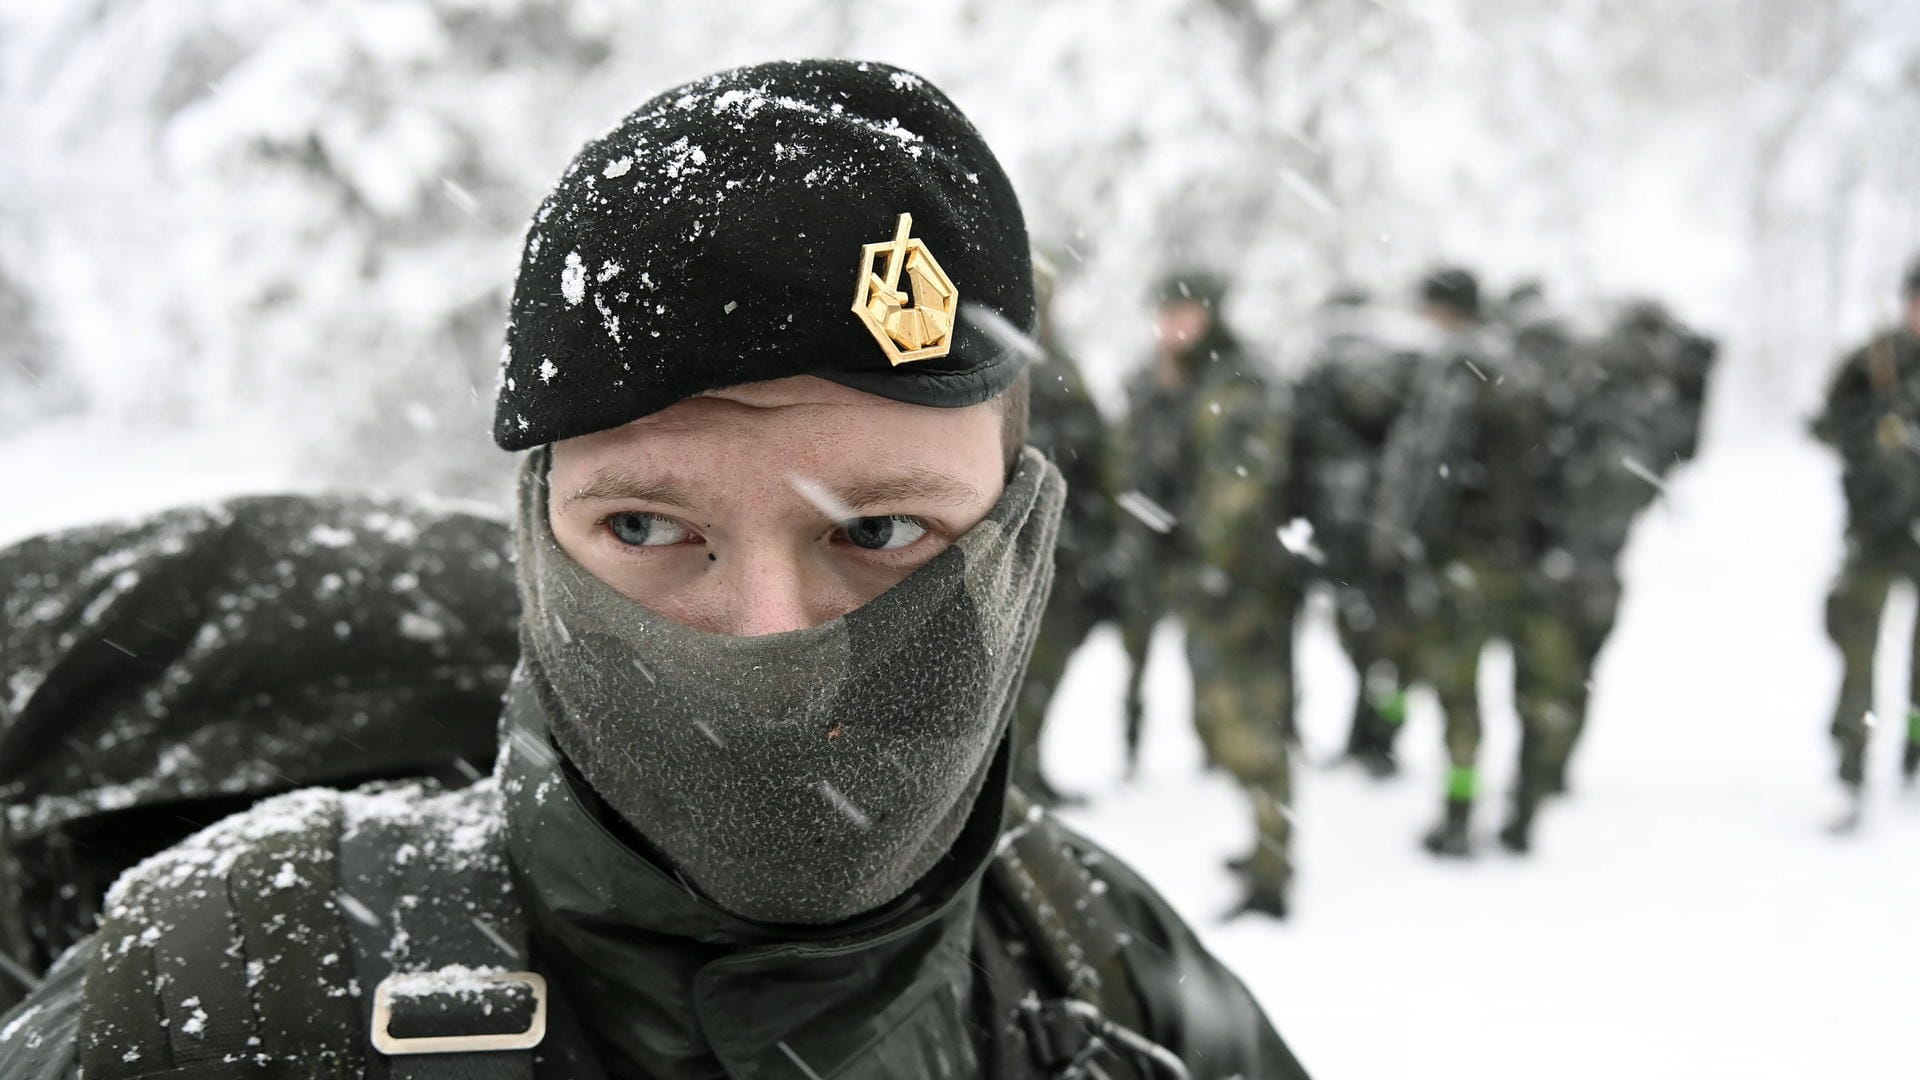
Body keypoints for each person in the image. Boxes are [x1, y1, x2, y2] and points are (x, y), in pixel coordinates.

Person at [0, 61, 1311, 1079]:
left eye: (878, 533)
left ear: (1017, 540)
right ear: (537, 536)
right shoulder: (235, 987)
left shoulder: (1094, 963)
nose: (762, 639)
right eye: (645, 529)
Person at [1116, 272, 1299, 917]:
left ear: (1211, 315)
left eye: (1184, 313)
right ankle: (1265, 841)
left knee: (1246, 720)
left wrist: (1213, 564)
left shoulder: (1238, 382)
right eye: (1164, 312)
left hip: (1240, 579)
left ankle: (1275, 867)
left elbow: (1241, 485)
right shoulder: (1164, 380)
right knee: (1216, 719)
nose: (1171, 326)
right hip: (1193, 576)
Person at [1373, 267, 1547, 856]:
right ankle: (1524, 813)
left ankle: (1458, 814)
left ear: (1442, 311)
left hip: (1463, 560)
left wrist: (1406, 537)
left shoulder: (1458, 366)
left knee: (1458, 695)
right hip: (1521, 558)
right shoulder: (1520, 364)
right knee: (1527, 691)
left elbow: (1432, 465)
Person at [1287, 287, 1422, 778]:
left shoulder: (1317, 366)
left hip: (1335, 528)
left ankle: (1357, 733)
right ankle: (1381, 738)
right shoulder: (1403, 366)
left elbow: (1295, 447)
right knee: (1388, 646)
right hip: (1387, 530)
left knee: (1353, 637)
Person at [1009, 254, 1118, 808]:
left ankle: (1024, 775)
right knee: (1016, 677)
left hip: (1060, 551)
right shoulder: (1004, 364)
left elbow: (1094, 459)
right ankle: (1012, 783)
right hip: (1022, 552)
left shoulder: (1056, 367)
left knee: (1038, 673)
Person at [1814, 257, 1920, 822]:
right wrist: (1875, 432)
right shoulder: (1872, 362)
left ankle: (1914, 751)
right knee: (1857, 653)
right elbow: (1825, 425)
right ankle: (1851, 765)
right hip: (1875, 533)